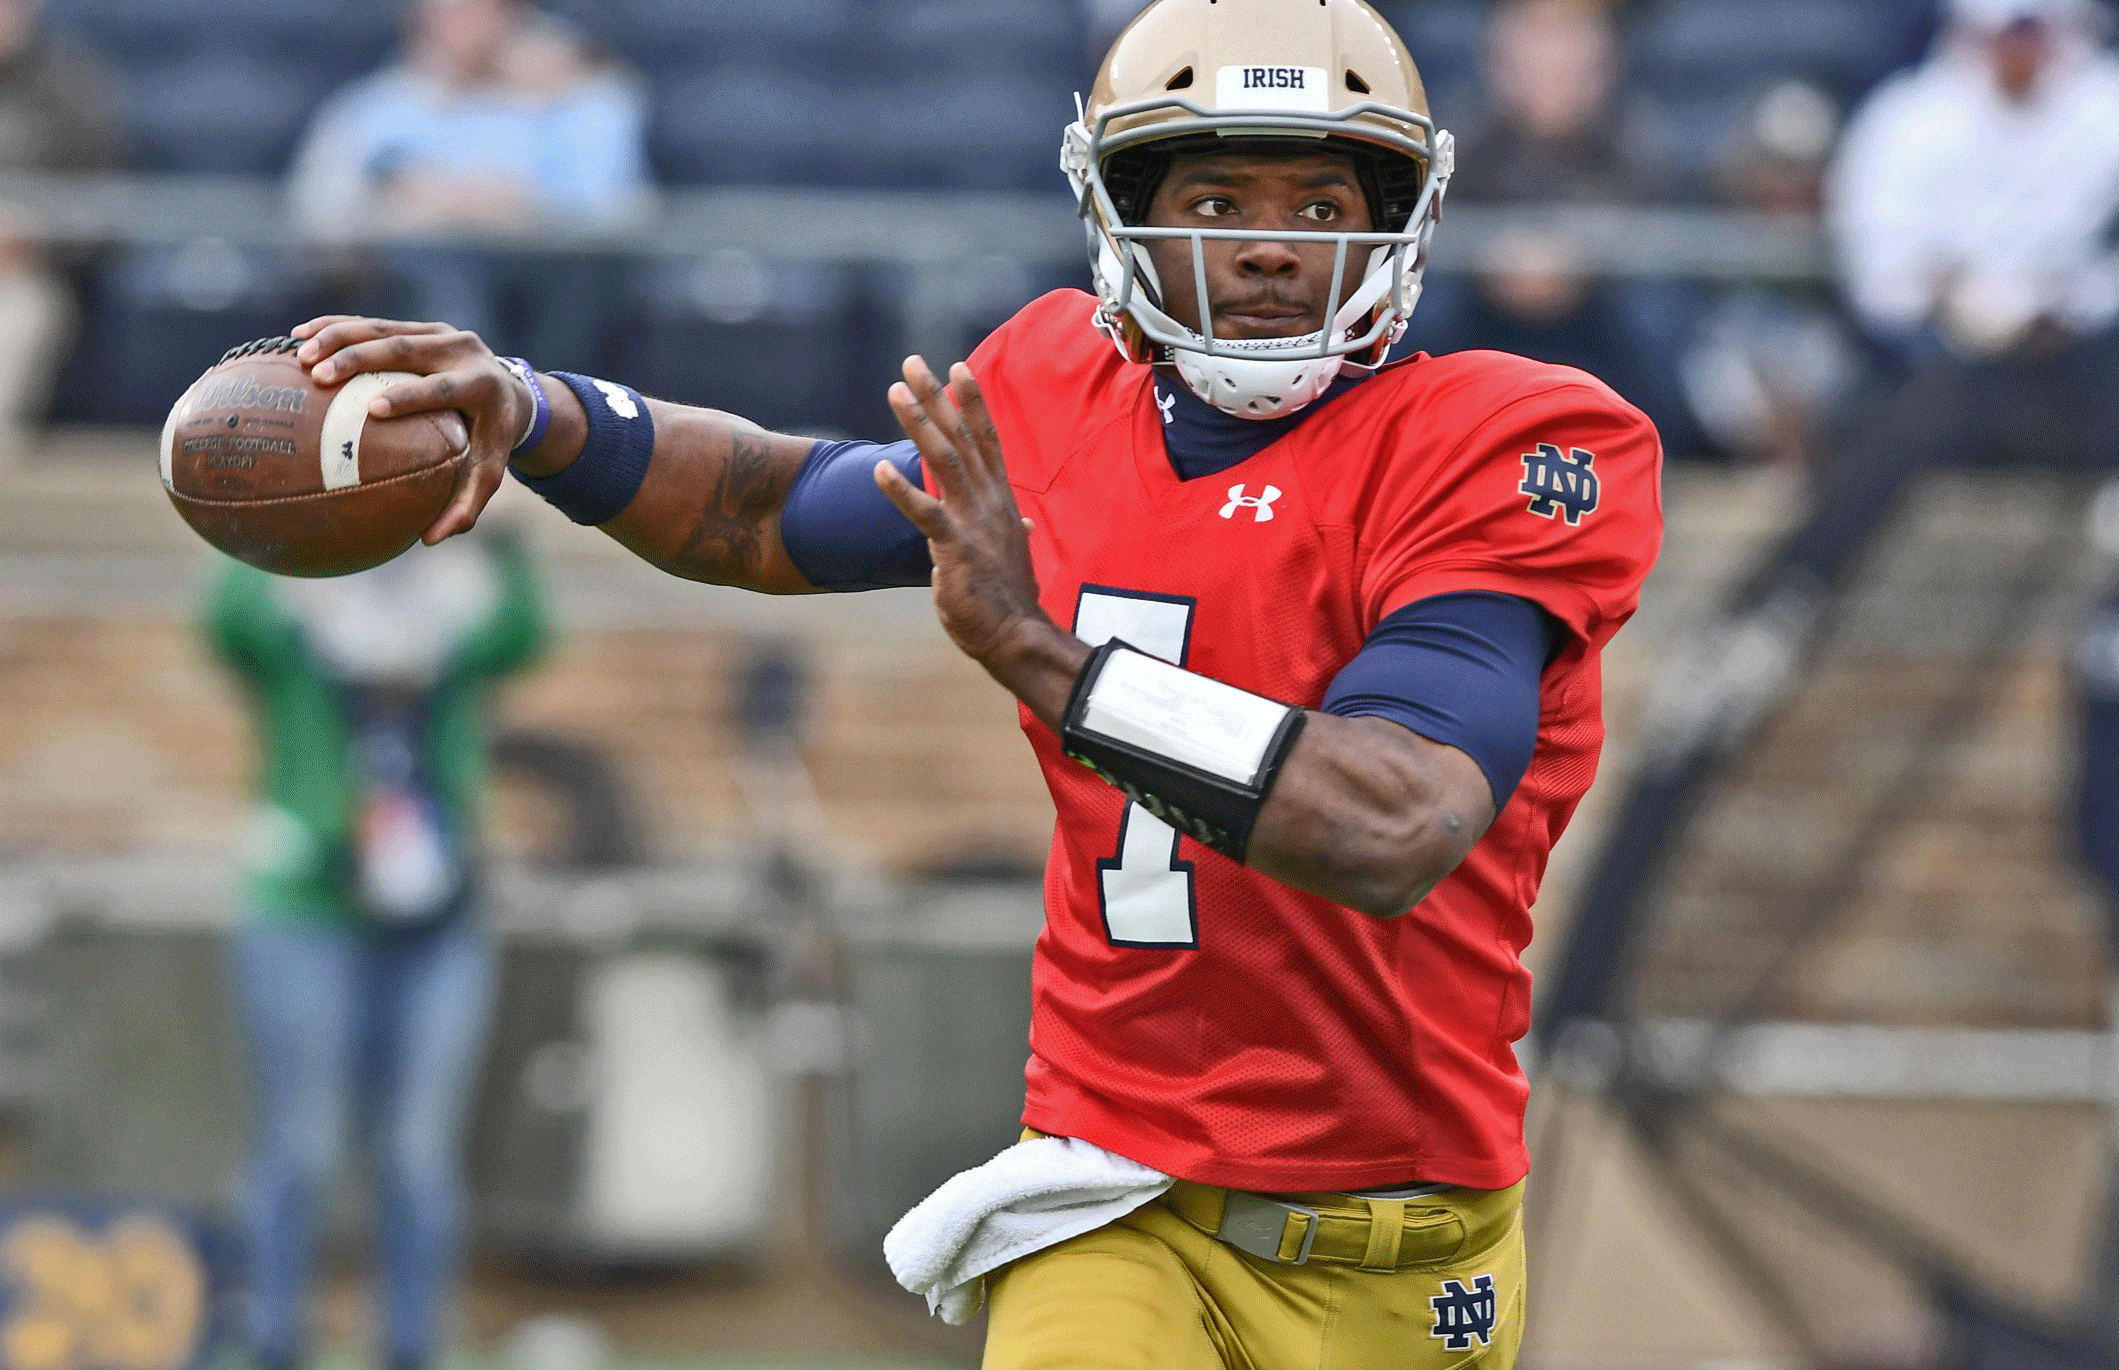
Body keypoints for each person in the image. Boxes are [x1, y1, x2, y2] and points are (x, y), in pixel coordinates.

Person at [289, 0, 1663, 1362]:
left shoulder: (1511, 439)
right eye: (1213, 197)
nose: (1264, 247)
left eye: (1319, 205)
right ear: (1120, 210)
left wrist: (1041, 654)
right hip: (1115, 1189)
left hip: (1400, 1233)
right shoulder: (1054, 386)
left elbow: (1391, 824)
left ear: (1398, 222)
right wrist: (539, 410)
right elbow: (772, 504)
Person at [204, 531, 548, 1370]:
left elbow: (530, 632)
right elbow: (224, 619)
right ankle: (276, 1341)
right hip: (306, 904)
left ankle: (410, 1348)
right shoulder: (286, 592)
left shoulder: (461, 593)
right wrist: (294, 519)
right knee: (300, 1143)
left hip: (439, 909)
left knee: (419, 1153)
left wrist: (492, 529)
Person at [287, 0, 651, 372]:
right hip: (408, 287)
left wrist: (511, 204)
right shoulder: (371, 108)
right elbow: (320, 220)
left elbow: (612, 213)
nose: (456, 20)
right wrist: (409, 206)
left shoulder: (585, 99)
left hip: (552, 299)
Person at [0, 0, 122, 459]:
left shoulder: (68, 85)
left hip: (26, 277)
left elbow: (101, 206)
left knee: (18, 320)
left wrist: (34, 237)